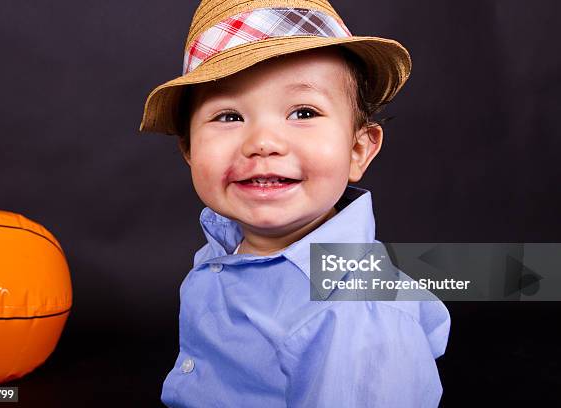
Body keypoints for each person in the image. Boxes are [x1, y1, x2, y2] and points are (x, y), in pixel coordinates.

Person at [139, 0, 450, 406]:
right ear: (190, 150)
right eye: (229, 116)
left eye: (303, 112)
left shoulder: (357, 317)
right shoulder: (225, 246)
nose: (263, 143)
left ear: (357, 150)